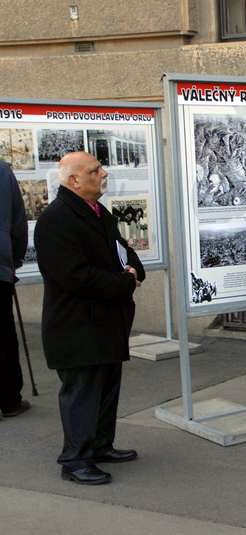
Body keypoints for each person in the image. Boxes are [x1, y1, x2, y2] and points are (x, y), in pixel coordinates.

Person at [35, 151, 144, 485]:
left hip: (105, 320)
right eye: (96, 170)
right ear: (74, 180)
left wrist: (135, 270)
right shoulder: (57, 219)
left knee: (107, 386)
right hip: (77, 324)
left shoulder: (96, 211)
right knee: (82, 391)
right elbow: (73, 276)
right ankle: (75, 459)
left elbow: (122, 249)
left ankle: (100, 445)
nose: (104, 173)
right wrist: (124, 282)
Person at [0, 161, 30, 419]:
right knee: (3, 334)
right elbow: (19, 222)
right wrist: (15, 260)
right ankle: (9, 399)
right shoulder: (2, 170)